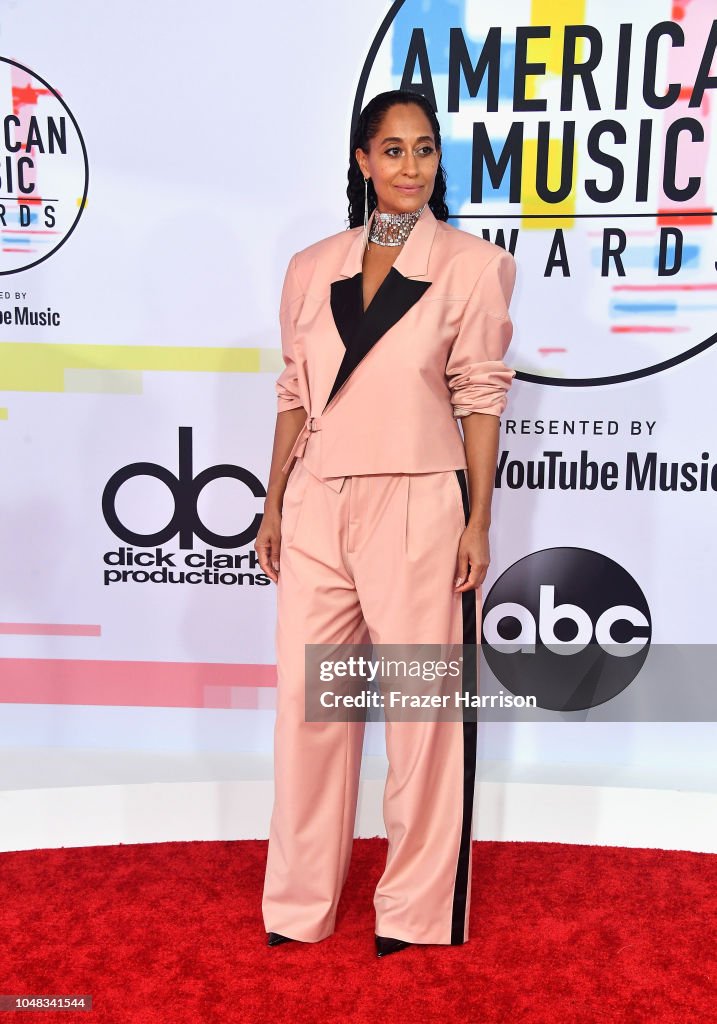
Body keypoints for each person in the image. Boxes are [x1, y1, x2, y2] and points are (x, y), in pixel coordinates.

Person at [256, 89, 517, 958]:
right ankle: (299, 904)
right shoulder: (309, 265)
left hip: (417, 501)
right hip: (317, 501)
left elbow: (480, 397)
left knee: (419, 715)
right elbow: (295, 391)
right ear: (363, 161)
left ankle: (410, 909)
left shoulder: (473, 266)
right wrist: (272, 498)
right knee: (310, 709)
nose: (411, 167)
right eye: (393, 150)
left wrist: (477, 519)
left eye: (426, 150)